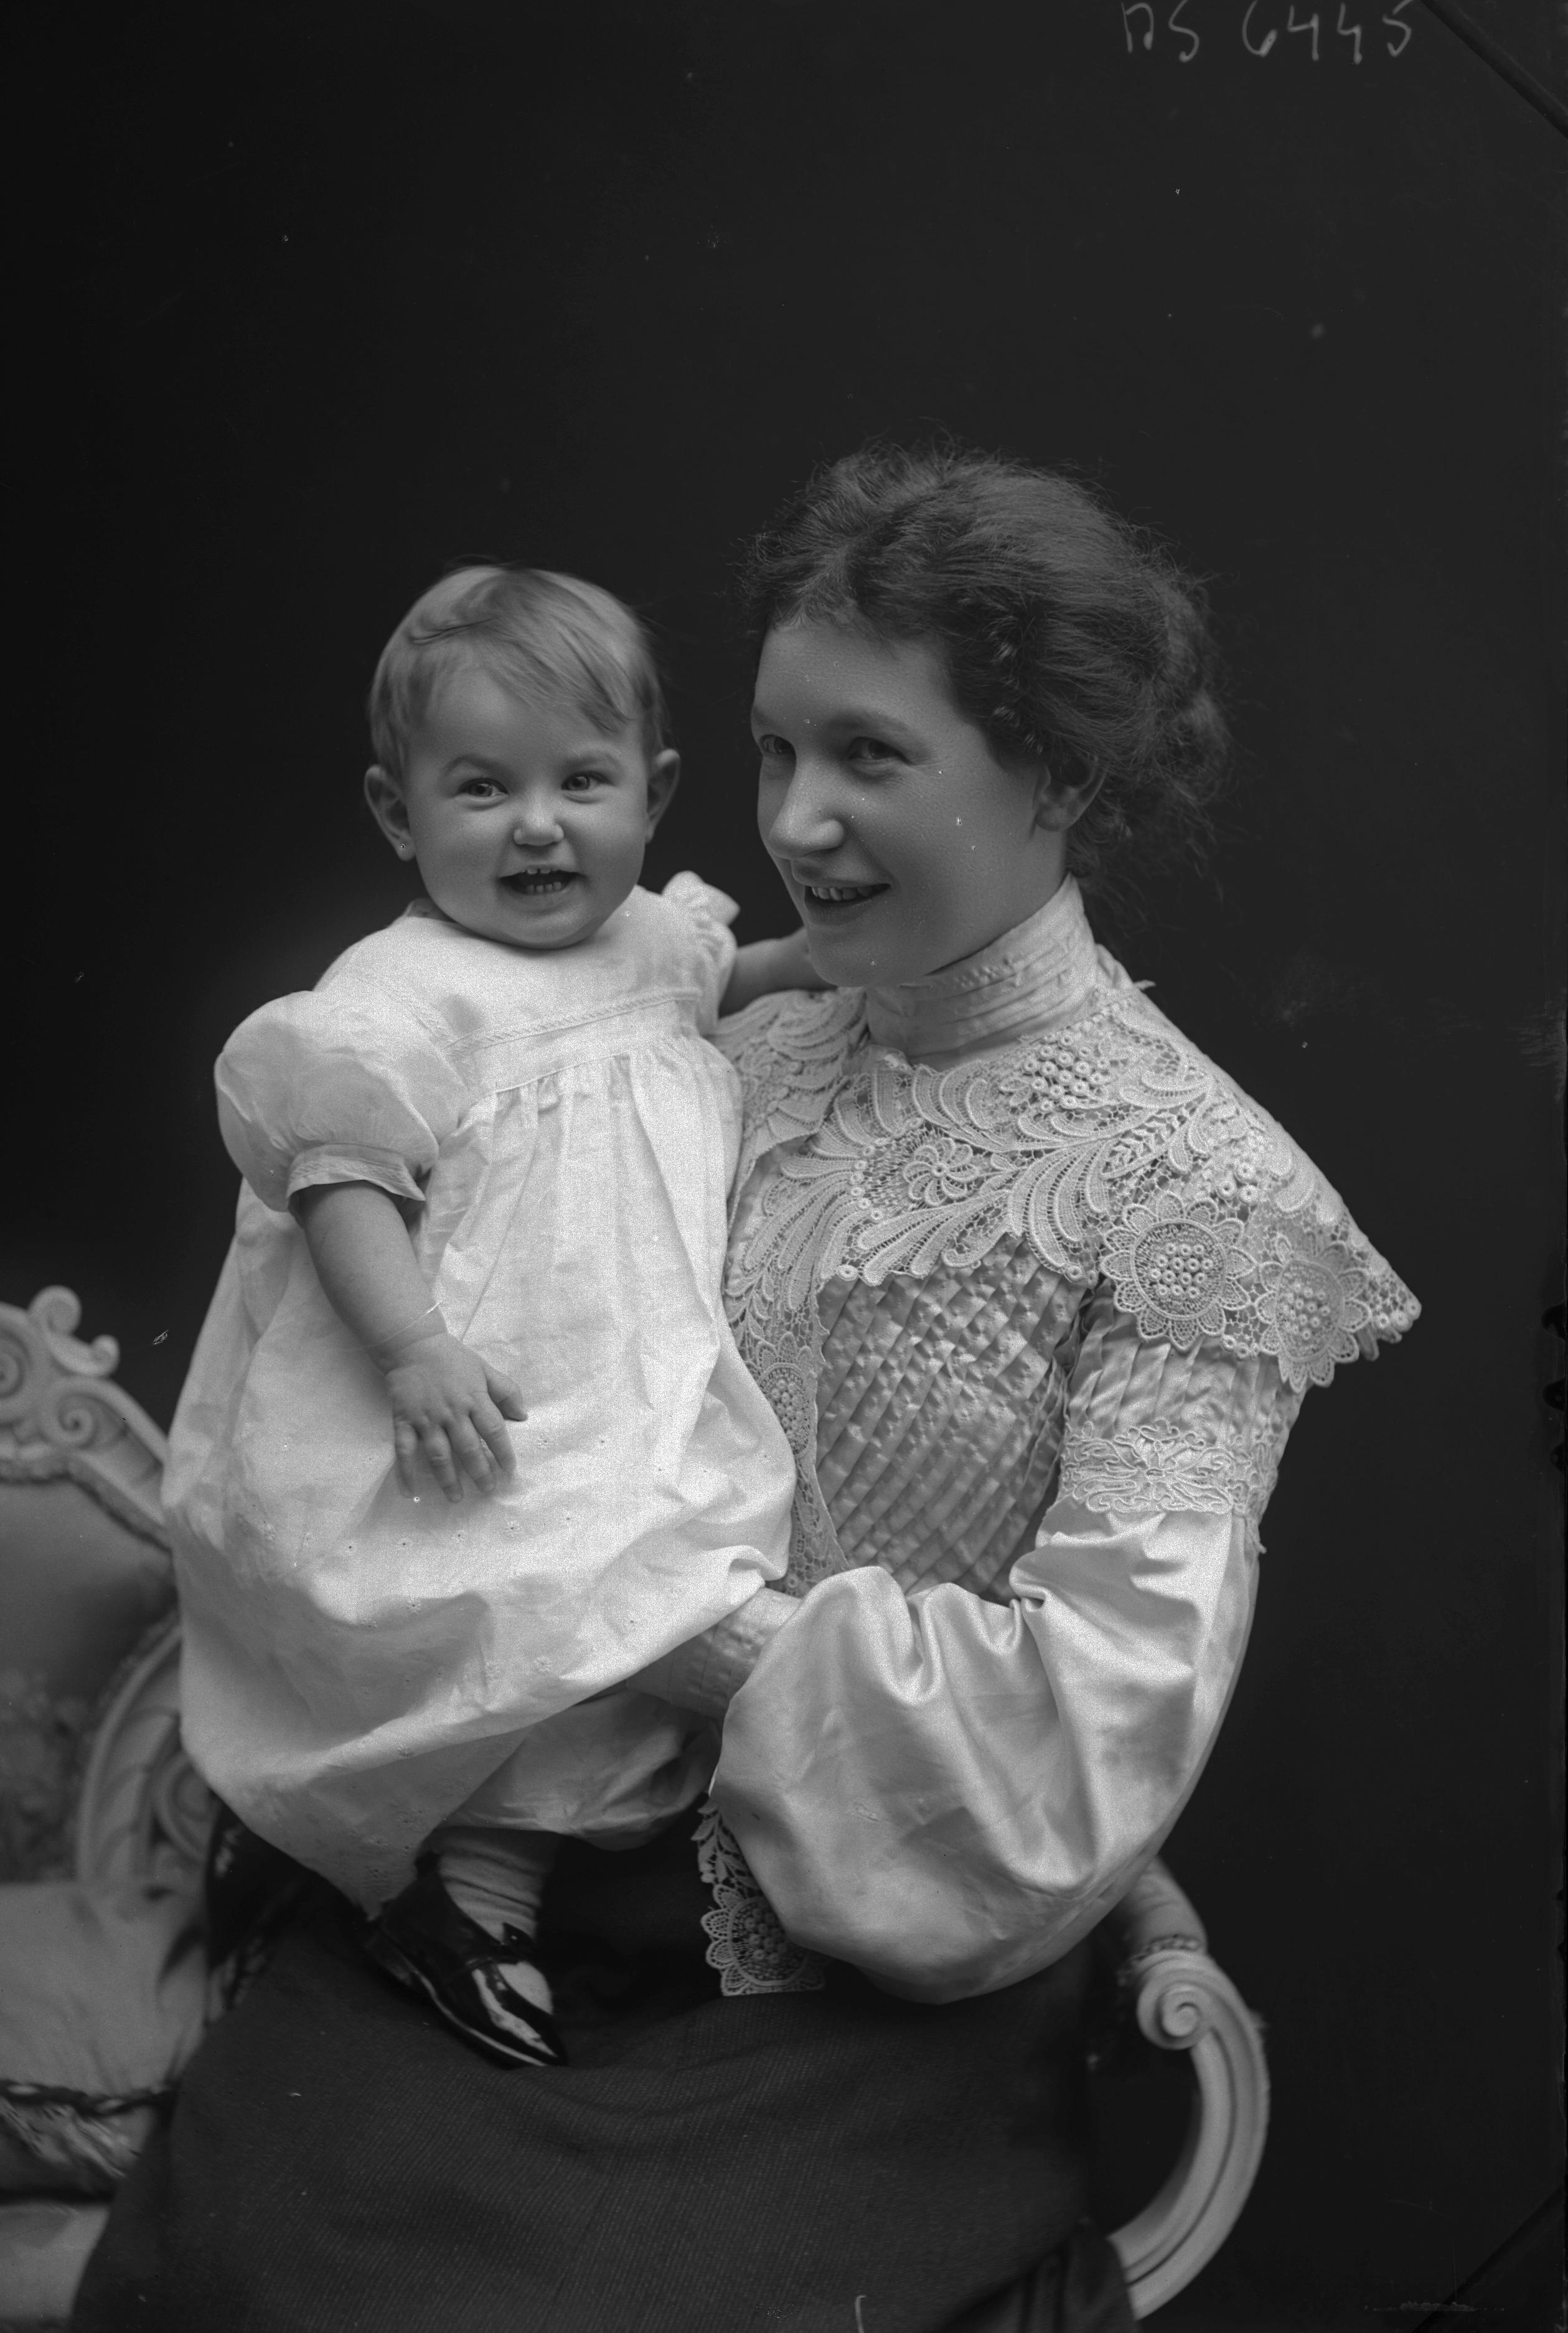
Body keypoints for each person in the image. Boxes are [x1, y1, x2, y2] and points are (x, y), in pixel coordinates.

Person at [77, 446, 1418, 2333]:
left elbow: (1082, 1746)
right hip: (538, 1868)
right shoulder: (717, 1038)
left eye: (870, 756)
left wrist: (664, 1614)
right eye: (778, 749)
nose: (793, 819)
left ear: (1056, 773)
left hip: (871, 1977)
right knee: (232, 2243)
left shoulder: (1200, 1196)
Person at [164, 565, 812, 2068]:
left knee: (606, 1618)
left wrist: (852, 966)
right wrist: (412, 1349)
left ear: (652, 794)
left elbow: (736, 980)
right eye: (481, 788)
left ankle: (493, 1902)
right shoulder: (399, 992)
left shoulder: (654, 940)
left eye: (580, 782)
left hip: (621, 1368)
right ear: (397, 814)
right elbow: (337, 1179)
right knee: (513, 1614)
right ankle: (464, 1903)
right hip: (467, 1382)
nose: (536, 826)